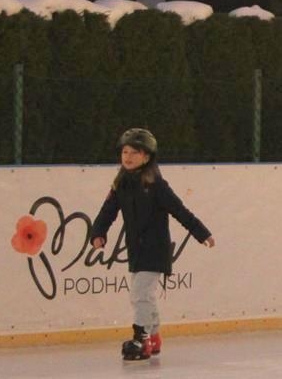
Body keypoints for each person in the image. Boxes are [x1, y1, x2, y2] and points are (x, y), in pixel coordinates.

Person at [89, 127, 215, 360]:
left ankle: (142, 338)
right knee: (143, 294)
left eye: (135, 153)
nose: (128, 157)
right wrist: (98, 232)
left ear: (147, 157)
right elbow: (108, 211)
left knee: (140, 294)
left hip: (155, 249)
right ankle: (154, 337)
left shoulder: (156, 185)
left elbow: (179, 210)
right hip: (136, 248)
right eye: (125, 152)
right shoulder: (121, 184)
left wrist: (201, 233)